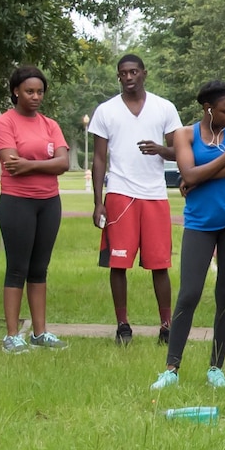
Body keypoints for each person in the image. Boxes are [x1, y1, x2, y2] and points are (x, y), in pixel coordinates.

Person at [154, 81, 225, 390]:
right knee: (189, 293)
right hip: (200, 222)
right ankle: (171, 369)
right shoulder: (185, 135)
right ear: (208, 109)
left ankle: (216, 369)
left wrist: (202, 176)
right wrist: (223, 160)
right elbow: (188, 174)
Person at [88, 53, 184, 347]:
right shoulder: (106, 111)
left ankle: (166, 326)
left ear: (144, 72)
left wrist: (160, 149)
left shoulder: (163, 107)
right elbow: (99, 158)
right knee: (118, 264)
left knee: (159, 264)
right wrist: (98, 201)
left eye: (133, 72)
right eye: (123, 74)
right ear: (118, 77)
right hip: (120, 193)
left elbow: (177, 150)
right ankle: (123, 325)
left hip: (154, 194)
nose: (129, 78)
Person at [0, 65, 71, 353]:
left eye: (39, 92)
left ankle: (40, 333)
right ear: (16, 91)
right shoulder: (4, 123)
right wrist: (41, 165)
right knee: (17, 268)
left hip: (49, 203)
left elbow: (64, 163)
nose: (35, 96)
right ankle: (12, 336)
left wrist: (30, 164)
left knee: (39, 269)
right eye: (29, 91)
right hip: (17, 202)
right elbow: (12, 165)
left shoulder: (50, 124)